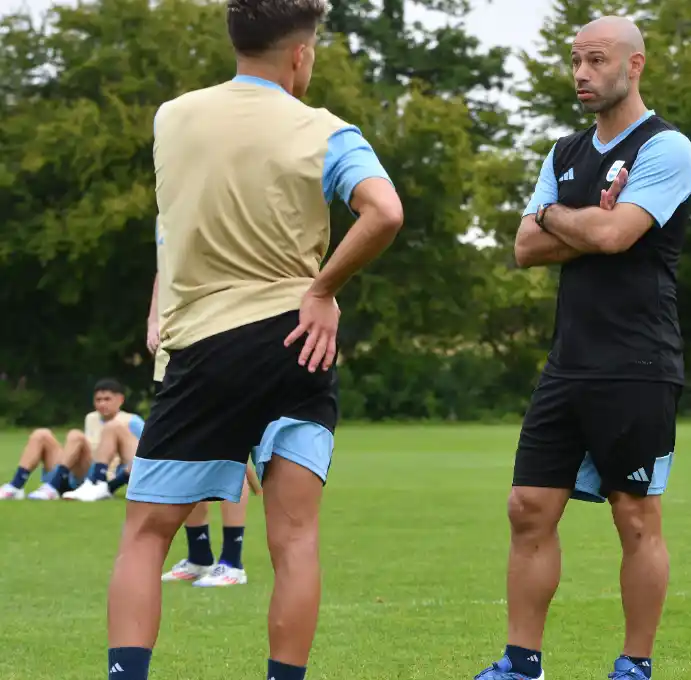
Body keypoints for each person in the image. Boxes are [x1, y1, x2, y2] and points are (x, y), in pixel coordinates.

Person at [104, 0, 403, 676]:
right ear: (301, 54)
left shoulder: (171, 118)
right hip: (299, 344)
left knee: (147, 536)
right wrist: (323, 289)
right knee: (295, 539)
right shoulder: (327, 130)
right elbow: (384, 211)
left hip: (204, 348)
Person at [474, 16, 691, 680]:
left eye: (596, 60)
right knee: (528, 507)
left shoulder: (666, 148)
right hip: (568, 362)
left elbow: (615, 237)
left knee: (634, 518)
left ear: (634, 66)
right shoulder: (563, 153)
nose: (580, 73)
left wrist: (564, 218)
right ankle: (522, 663)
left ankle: (634, 665)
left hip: (638, 362)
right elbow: (523, 248)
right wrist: (574, 218)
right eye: (575, 60)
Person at [147, 231, 262, 587]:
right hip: (173, 349)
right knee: (184, 456)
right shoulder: (166, 210)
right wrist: (153, 320)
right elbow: (163, 271)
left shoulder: (212, 193)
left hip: (212, 345)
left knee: (230, 458)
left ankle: (232, 561)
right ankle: (199, 557)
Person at [0, 379, 143, 501]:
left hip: (102, 475)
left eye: (107, 399)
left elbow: (142, 450)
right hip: (76, 470)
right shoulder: (91, 417)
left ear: (120, 400)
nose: (102, 404)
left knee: (76, 435)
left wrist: (121, 477)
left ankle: (56, 486)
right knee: (41, 434)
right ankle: (15, 486)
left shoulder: (131, 421)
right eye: (98, 400)